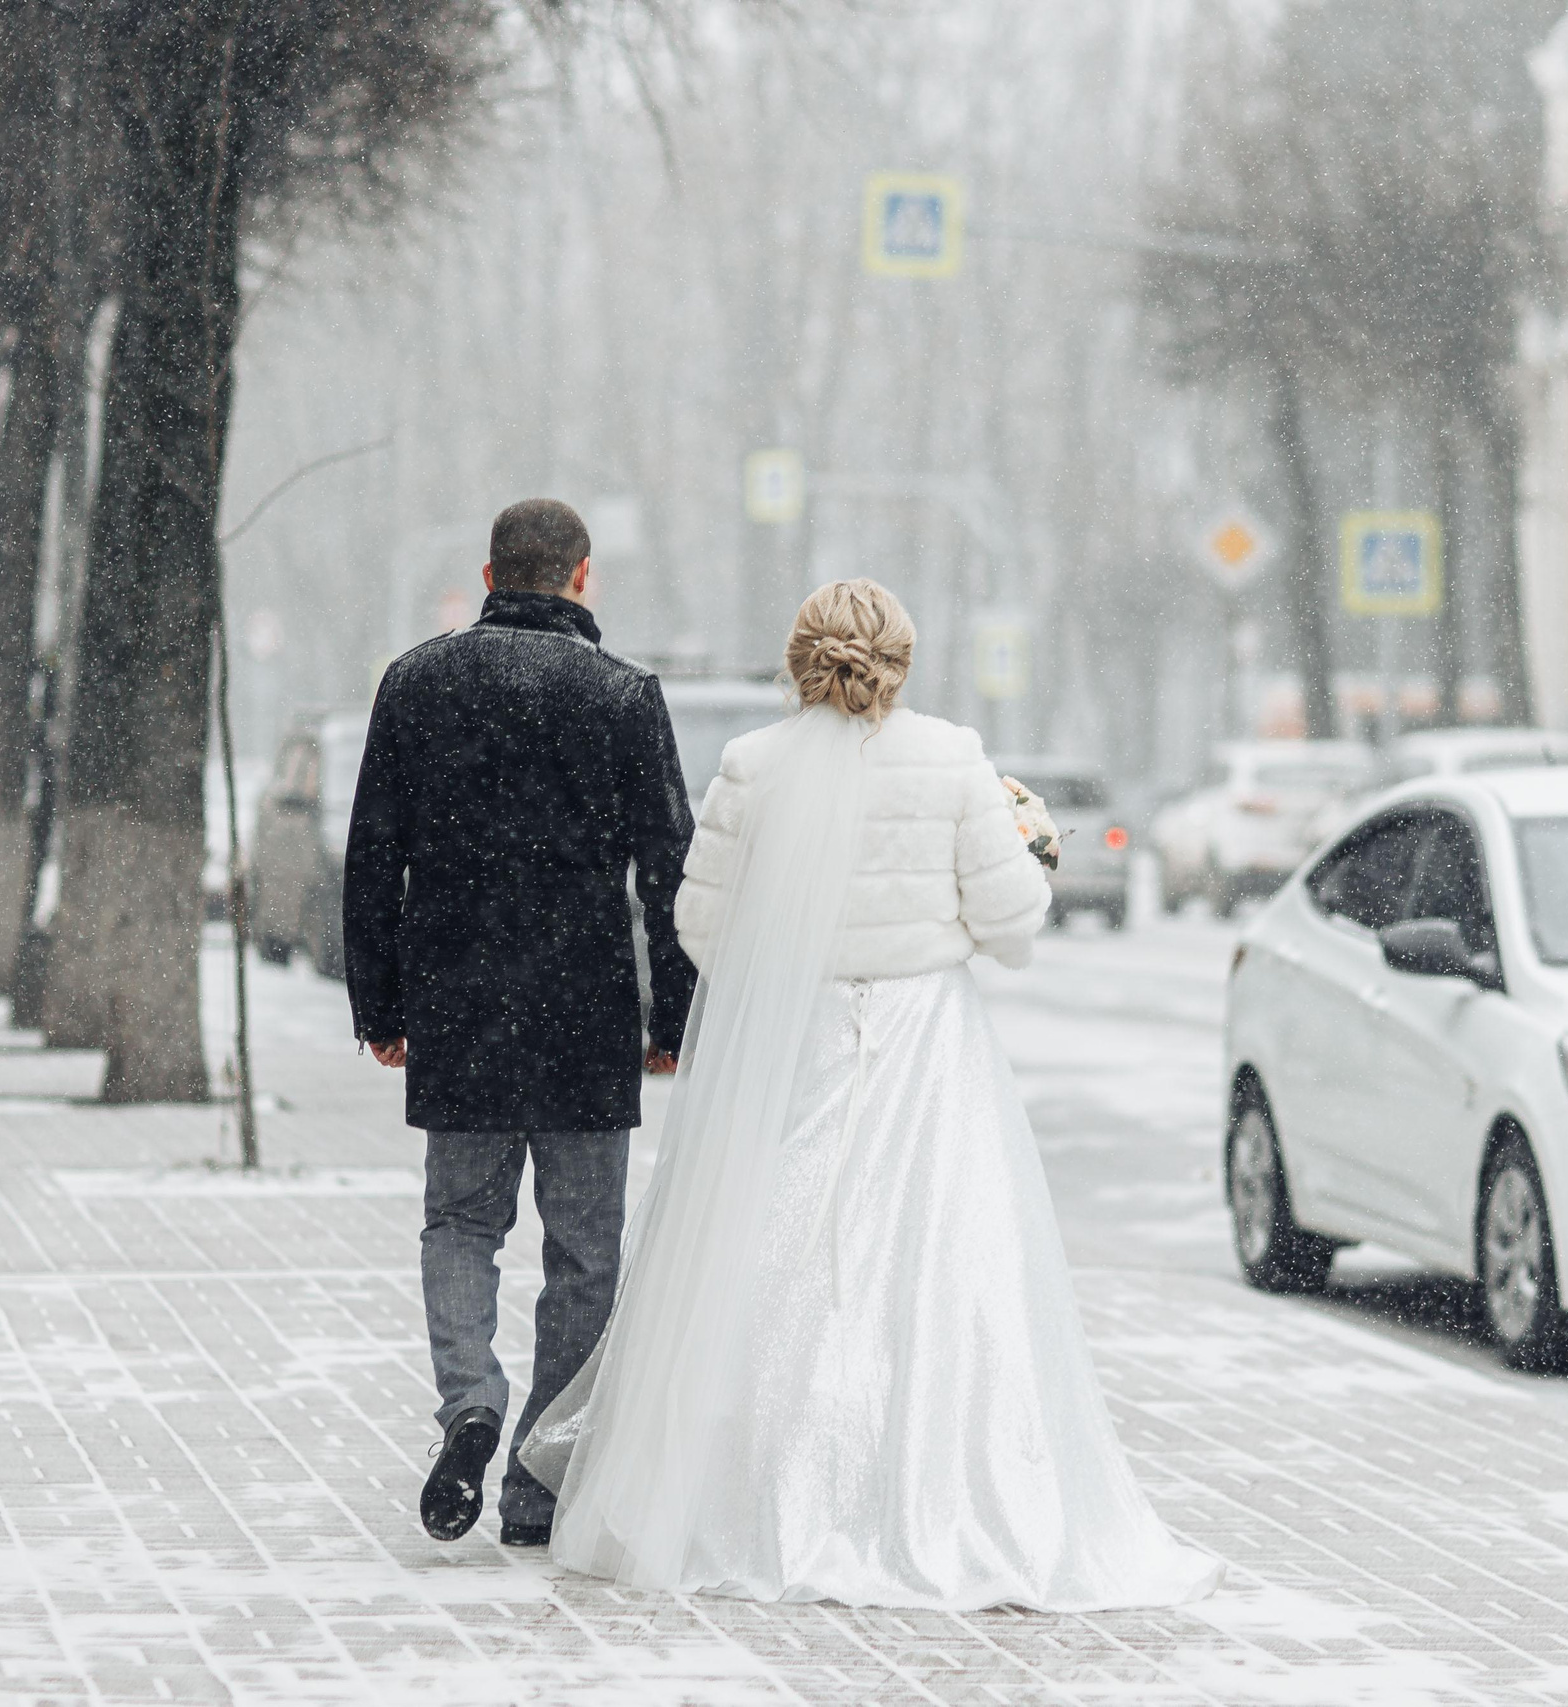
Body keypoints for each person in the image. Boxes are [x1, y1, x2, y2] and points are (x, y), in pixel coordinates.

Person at [520, 579, 1220, 1611]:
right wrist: (1026, 847)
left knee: (771, 1256)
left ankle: (750, 1493)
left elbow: (702, 931)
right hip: (922, 1044)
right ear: (899, 658)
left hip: (793, 1045)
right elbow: (1014, 925)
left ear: (800, 658)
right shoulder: (949, 758)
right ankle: (928, 1487)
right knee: (937, 1268)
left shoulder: (752, 767)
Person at [343, 498, 698, 1548]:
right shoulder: (624, 696)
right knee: (584, 1252)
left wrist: (382, 1004)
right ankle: (540, 1481)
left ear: (489, 573)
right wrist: (670, 1014)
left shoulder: (416, 684)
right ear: (581, 579)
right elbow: (668, 872)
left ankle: (470, 1405)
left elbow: (374, 855)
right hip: (585, 1012)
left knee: (460, 1223)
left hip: (458, 1005)